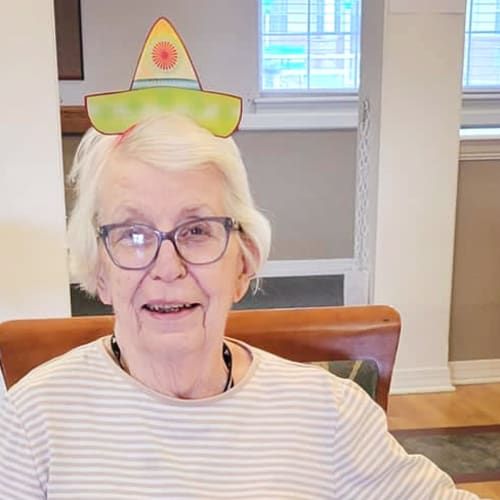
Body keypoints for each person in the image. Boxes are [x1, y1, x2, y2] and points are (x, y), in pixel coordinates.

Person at [0, 112, 482, 499]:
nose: (168, 267)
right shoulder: (31, 420)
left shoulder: (330, 415)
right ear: (99, 270)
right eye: (134, 234)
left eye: (196, 230)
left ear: (243, 263)